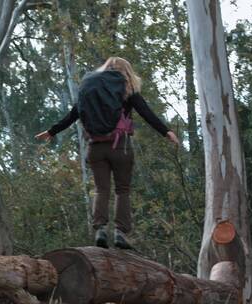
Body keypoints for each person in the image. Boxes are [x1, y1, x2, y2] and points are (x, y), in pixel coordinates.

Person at [35, 57, 180, 249]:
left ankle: (100, 230)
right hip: (120, 146)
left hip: (95, 147)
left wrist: (52, 131)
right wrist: (166, 131)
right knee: (122, 190)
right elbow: (146, 112)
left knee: (101, 189)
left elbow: (73, 114)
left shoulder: (90, 89)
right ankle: (121, 233)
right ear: (126, 72)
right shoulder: (127, 89)